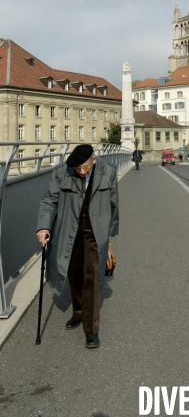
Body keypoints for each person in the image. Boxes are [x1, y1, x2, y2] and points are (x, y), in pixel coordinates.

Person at [36, 144, 119, 349]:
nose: (81, 172)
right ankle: (78, 311)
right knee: (73, 273)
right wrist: (44, 226)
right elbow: (49, 201)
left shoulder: (108, 172)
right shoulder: (62, 172)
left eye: (85, 167)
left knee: (92, 276)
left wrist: (110, 231)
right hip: (69, 231)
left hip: (95, 232)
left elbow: (113, 203)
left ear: (93, 160)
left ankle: (91, 330)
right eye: (78, 169)